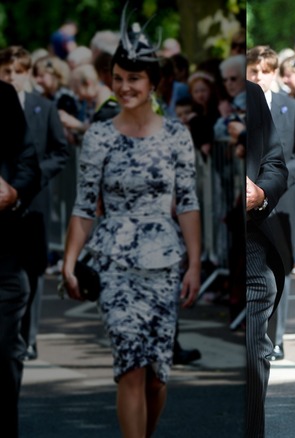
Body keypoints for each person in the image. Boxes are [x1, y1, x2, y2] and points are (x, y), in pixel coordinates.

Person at [61, 14, 201, 437]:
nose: (124, 87)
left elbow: (189, 204)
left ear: (153, 82)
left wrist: (195, 264)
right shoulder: (100, 136)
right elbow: (85, 206)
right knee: (131, 366)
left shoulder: (177, 135)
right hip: (114, 259)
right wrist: (69, 262)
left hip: (163, 260)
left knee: (158, 374)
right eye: (118, 78)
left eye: (134, 78)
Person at [0, 46, 70, 362]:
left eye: (17, 71)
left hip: (33, 204)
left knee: (33, 272)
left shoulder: (43, 107)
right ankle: (11, 335)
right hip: (4, 207)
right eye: (6, 71)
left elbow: (60, 151)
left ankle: (29, 338)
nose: (11, 77)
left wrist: (34, 179)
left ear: (27, 74)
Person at [250, 47, 295, 362]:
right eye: (253, 71)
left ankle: (276, 338)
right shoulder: (244, 106)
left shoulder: (291, 106)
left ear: (274, 73)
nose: (258, 76)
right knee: (255, 270)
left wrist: (278, 180)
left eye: (264, 71)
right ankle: (255, 334)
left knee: (280, 269)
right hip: (251, 202)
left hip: (281, 201)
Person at [244, 79, 289, 437]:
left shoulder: (253, 95)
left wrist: (260, 193)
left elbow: (275, 163)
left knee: (252, 349)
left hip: (251, 242)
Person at [0, 78, 39, 438]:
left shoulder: (4, 96)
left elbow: (29, 163)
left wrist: (13, 192)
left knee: (5, 351)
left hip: (5, 256)